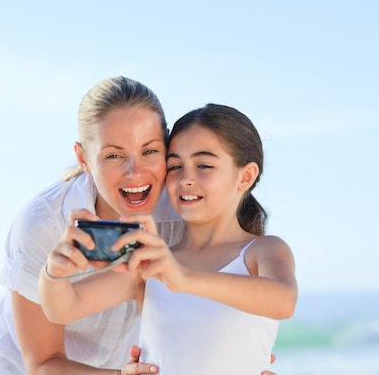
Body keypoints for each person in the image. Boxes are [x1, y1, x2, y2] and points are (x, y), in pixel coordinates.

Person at [0, 78, 278, 375]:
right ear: (84, 158)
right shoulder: (44, 223)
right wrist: (52, 274)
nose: (135, 172)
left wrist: (244, 351)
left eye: (149, 151)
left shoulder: (187, 209)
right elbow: (44, 360)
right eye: (114, 155)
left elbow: (249, 302)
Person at [39, 103, 298, 375]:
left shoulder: (262, 250)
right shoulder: (152, 262)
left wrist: (183, 278)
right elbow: (63, 308)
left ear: (245, 176)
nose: (186, 178)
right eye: (175, 166)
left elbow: (283, 301)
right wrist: (53, 273)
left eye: (204, 165)